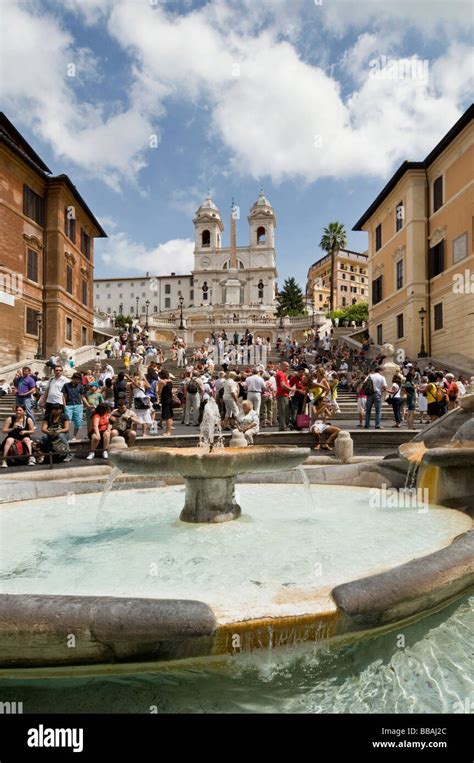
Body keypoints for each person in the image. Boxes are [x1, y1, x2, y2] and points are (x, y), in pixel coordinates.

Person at [62, 372, 86, 441]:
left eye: (79, 379)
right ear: (73, 378)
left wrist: (87, 405)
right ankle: (66, 435)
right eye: (76, 379)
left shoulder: (80, 386)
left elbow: (82, 397)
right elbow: (64, 396)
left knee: (78, 421)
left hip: (78, 405)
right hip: (68, 405)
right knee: (66, 421)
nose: (77, 381)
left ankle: (74, 436)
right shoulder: (66, 385)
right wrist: (64, 405)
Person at [275, 361, 294, 431]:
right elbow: (282, 385)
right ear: (282, 366)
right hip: (282, 395)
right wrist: (291, 389)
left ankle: (283, 426)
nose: (288, 368)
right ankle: (283, 427)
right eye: (286, 366)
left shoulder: (281, 374)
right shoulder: (281, 374)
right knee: (283, 411)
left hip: (283, 394)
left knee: (284, 411)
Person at [157, 370, 174, 436]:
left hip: (165, 400)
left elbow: (159, 392)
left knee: (167, 417)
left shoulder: (161, 381)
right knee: (170, 416)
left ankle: (168, 432)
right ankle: (168, 431)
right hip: (169, 399)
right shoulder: (170, 381)